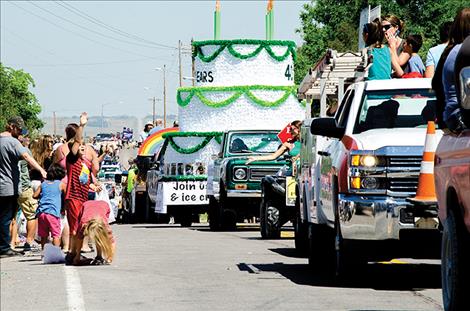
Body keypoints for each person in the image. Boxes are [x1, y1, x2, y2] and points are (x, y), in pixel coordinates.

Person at [0, 116, 46, 258]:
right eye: (19, 129)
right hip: (8, 186)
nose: (20, 132)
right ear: (11, 127)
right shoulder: (12, 142)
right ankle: (4, 248)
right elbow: (26, 156)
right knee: (6, 218)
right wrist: (41, 170)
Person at [64, 113, 100, 265]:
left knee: (81, 227)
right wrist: (82, 125)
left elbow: (83, 179)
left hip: (83, 197)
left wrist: (93, 185)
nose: (82, 148)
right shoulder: (71, 158)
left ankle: (74, 253)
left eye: (84, 146)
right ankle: (75, 256)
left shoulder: (83, 164)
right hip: (74, 197)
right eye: (80, 146)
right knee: (75, 228)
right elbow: (77, 140)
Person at [432, 8, 470, 133]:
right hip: (459, 116)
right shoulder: (463, 52)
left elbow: (436, 84)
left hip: (451, 116)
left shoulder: (452, 50)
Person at [33, 164, 66, 250]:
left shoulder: (43, 184)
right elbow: (67, 196)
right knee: (56, 234)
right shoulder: (61, 184)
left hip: (41, 213)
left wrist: (43, 195)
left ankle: (44, 254)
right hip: (53, 213)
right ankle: (56, 253)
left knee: (44, 235)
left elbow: (34, 195)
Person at [16, 135, 40, 252]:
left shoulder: (4, 148)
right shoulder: (24, 150)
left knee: (12, 217)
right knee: (32, 214)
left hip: (9, 187)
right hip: (24, 187)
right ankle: (29, 241)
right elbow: (31, 165)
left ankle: (11, 241)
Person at [76, 200, 115, 265]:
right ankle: (98, 256)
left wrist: (110, 258)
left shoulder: (105, 225)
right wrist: (77, 256)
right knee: (80, 234)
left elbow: (112, 242)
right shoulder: (83, 223)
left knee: (100, 237)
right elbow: (79, 239)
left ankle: (99, 255)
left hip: (104, 205)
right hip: (85, 205)